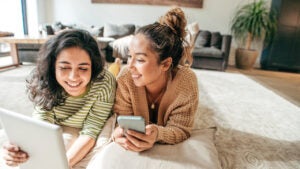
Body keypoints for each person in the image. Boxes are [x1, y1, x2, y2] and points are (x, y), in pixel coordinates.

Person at [2, 29, 116, 168]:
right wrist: (19, 152)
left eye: (83, 68)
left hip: (90, 129)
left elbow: (91, 130)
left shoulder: (104, 82)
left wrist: (61, 165)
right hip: (57, 126)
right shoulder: (46, 80)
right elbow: (41, 123)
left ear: (93, 67)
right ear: (52, 67)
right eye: (64, 67)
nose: (73, 77)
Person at [111, 6, 199, 152]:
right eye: (129, 56)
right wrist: (118, 133)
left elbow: (181, 129)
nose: (130, 66)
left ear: (165, 64)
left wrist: (159, 133)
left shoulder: (186, 81)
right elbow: (119, 120)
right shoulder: (126, 77)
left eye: (139, 60)